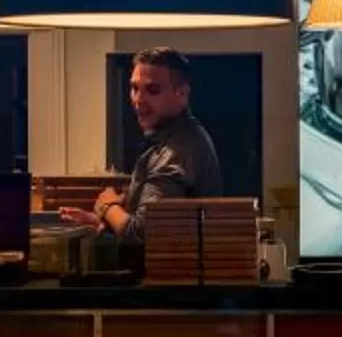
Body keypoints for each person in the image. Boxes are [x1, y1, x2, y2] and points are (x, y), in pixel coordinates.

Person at [63, 48, 223, 246]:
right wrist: (99, 223)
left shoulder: (176, 151)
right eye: (135, 88)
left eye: (153, 90)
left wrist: (109, 206)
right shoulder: (169, 138)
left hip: (167, 276)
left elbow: (143, 235)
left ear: (182, 93)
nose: (138, 99)